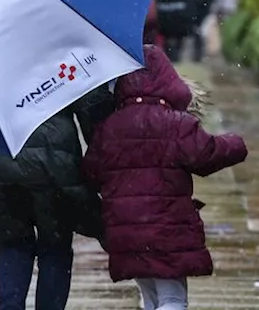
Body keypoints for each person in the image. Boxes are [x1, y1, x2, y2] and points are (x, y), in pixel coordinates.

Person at [82, 45, 249, 310]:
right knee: (172, 300)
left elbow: (91, 171)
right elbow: (206, 155)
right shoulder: (176, 124)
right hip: (166, 229)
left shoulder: (109, 128)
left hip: (126, 231)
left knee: (150, 298)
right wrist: (236, 144)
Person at [0, 87, 114, 310]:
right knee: (55, 245)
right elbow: (93, 109)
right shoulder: (61, 52)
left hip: (0, 156)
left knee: (14, 242)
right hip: (53, 164)